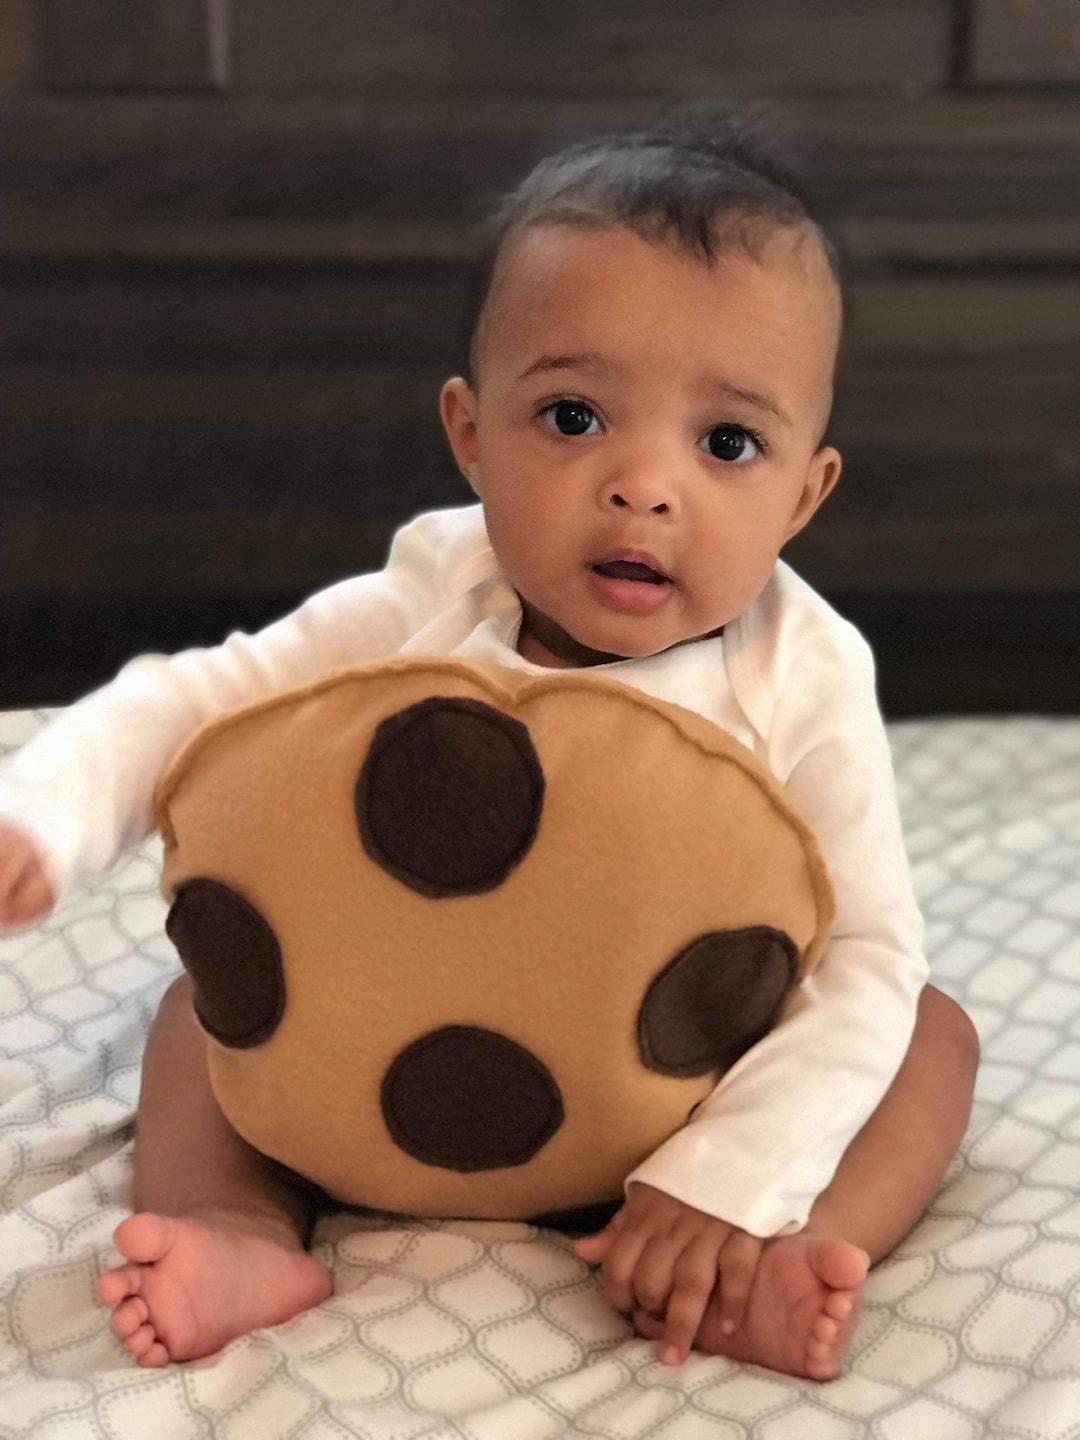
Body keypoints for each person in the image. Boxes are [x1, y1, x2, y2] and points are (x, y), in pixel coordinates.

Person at [0, 103, 979, 1381]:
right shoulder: (429, 594)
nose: (645, 483)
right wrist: (47, 813)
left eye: (726, 441)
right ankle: (239, 1224)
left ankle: (757, 1256)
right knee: (199, 1005)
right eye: (575, 419)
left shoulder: (805, 670)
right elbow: (205, 700)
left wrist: (734, 1173)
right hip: (366, 1088)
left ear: (804, 493)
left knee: (924, 1029)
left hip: (664, 1114)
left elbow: (863, 952)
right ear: (470, 433)